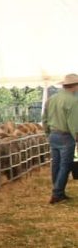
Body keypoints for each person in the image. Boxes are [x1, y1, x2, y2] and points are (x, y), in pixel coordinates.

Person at [42, 73, 78, 204]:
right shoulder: (73, 101)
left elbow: (44, 118)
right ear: (75, 85)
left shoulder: (52, 98)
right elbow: (73, 123)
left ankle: (58, 191)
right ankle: (57, 193)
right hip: (66, 135)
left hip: (53, 135)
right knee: (65, 165)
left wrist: (47, 133)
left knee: (56, 163)